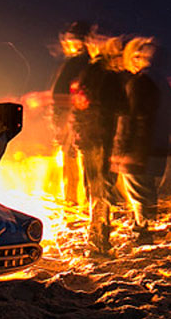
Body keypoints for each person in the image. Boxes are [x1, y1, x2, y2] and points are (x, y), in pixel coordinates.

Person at [71, 32, 127, 254]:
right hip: (98, 139)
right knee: (100, 191)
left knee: (98, 190)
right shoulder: (105, 75)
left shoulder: (93, 72)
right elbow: (118, 107)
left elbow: (80, 106)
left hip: (92, 138)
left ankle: (99, 237)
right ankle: (98, 240)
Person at [111, 37, 170, 243]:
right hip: (153, 147)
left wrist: (120, 149)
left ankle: (142, 232)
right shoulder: (160, 82)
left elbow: (130, 119)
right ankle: (142, 226)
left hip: (136, 150)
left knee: (137, 193)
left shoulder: (139, 83)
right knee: (144, 191)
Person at [48, 21, 91, 205]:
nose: (67, 43)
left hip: (73, 120)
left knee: (73, 158)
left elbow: (61, 95)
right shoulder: (86, 63)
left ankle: (73, 200)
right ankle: (79, 200)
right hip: (77, 120)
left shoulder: (77, 63)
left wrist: (59, 120)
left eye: (71, 40)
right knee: (77, 159)